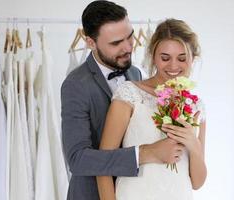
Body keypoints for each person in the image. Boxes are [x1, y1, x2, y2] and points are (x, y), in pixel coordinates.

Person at [61, 1, 185, 199]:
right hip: (91, 194)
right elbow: (77, 159)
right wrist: (145, 153)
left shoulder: (135, 73)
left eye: (130, 37)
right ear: (91, 43)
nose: (128, 48)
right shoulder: (76, 85)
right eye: (116, 43)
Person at [96, 18, 207, 200]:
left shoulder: (195, 106)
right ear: (153, 56)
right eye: (165, 58)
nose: (173, 66)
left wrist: (194, 146)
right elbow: (103, 166)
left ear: (193, 58)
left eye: (182, 58)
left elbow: (197, 182)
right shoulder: (129, 94)